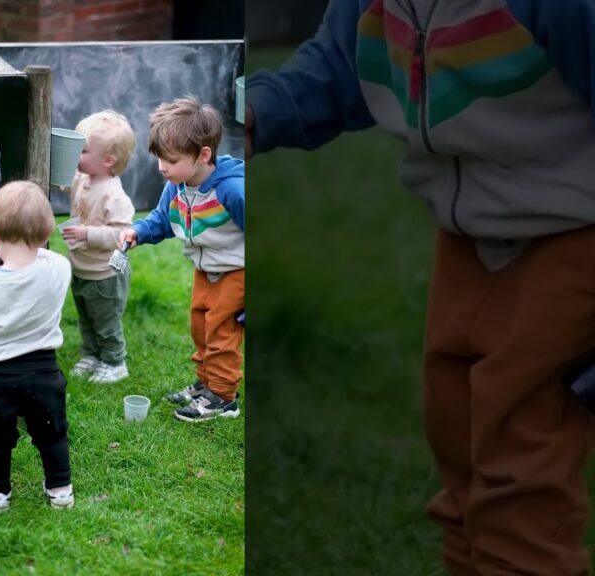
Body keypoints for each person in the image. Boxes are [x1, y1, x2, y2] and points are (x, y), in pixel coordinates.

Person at [247, 0, 595, 572]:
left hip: (571, 233)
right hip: (466, 234)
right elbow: (337, 67)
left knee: (520, 460)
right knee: (457, 433)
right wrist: (257, 109)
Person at [120, 97, 246, 422]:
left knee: (221, 332)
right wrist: (137, 232)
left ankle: (223, 397)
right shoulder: (177, 185)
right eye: (159, 158)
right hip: (205, 269)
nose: (162, 167)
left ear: (204, 155)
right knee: (201, 326)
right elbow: (163, 219)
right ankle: (205, 384)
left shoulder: (232, 190)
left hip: (236, 271)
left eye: (170, 160)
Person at [0, 180, 74, 512]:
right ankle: (60, 490)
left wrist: (5, 247)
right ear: (45, 231)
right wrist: (25, 243)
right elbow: (43, 256)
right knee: (52, 434)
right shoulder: (59, 268)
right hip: (44, 373)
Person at [60, 110, 137, 384]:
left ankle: (115, 362)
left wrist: (87, 233)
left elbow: (121, 234)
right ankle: (91, 354)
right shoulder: (84, 179)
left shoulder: (114, 195)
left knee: (106, 322)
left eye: (82, 151)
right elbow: (69, 185)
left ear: (107, 161)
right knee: (86, 318)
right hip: (82, 267)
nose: (76, 156)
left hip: (105, 274)